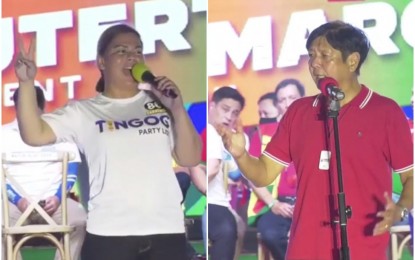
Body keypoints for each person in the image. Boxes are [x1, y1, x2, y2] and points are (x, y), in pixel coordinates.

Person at [217, 21, 413, 260]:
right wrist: (241, 155)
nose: (314, 64)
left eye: (324, 55)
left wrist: (400, 209)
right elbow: (264, 173)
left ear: (352, 61)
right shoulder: (299, 111)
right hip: (305, 248)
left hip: (362, 246)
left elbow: (410, 176)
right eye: (311, 56)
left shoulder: (385, 111)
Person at [14, 23, 201, 260]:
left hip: (166, 230)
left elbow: (190, 157)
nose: (132, 57)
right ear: (102, 62)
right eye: (121, 51)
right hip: (109, 234)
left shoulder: (161, 104)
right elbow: (34, 134)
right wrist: (26, 82)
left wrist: (176, 108)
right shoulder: (84, 111)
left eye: (137, 51)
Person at [2, 86, 87, 260]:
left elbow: (71, 168)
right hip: (13, 203)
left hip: (56, 202)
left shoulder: (60, 131)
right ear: (16, 107)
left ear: (42, 107)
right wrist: (18, 200)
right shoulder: (3, 134)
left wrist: (57, 197)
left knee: (79, 221)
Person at [248, 79, 305, 260]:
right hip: (275, 204)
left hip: (310, 203)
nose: (287, 104)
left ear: (302, 98)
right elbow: (252, 174)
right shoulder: (262, 133)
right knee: (271, 233)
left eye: (292, 98)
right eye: (282, 100)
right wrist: (273, 204)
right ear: (277, 104)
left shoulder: (319, 129)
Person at [207, 86, 247, 260]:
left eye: (235, 113)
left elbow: (237, 175)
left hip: (222, 202)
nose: (229, 117)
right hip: (207, 201)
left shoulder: (231, 139)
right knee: (228, 226)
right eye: (225, 109)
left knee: (239, 225)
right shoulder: (203, 131)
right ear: (212, 106)